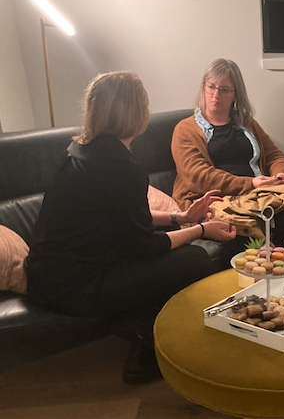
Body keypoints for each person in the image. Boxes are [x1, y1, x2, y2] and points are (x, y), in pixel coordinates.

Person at [25, 71, 236, 384]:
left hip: (46, 276)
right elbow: (146, 246)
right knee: (196, 259)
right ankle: (143, 333)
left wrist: (181, 218)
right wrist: (202, 231)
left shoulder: (80, 151)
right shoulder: (122, 167)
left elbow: (126, 216)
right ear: (137, 114)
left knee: (180, 248)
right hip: (76, 288)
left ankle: (142, 326)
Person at [171, 58, 284, 257]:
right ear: (203, 88)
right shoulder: (185, 129)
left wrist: (281, 175)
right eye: (211, 87)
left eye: (224, 89)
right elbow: (198, 177)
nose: (215, 95)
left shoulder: (247, 124)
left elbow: (273, 155)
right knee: (246, 229)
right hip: (216, 198)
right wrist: (251, 183)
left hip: (260, 193)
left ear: (236, 94)